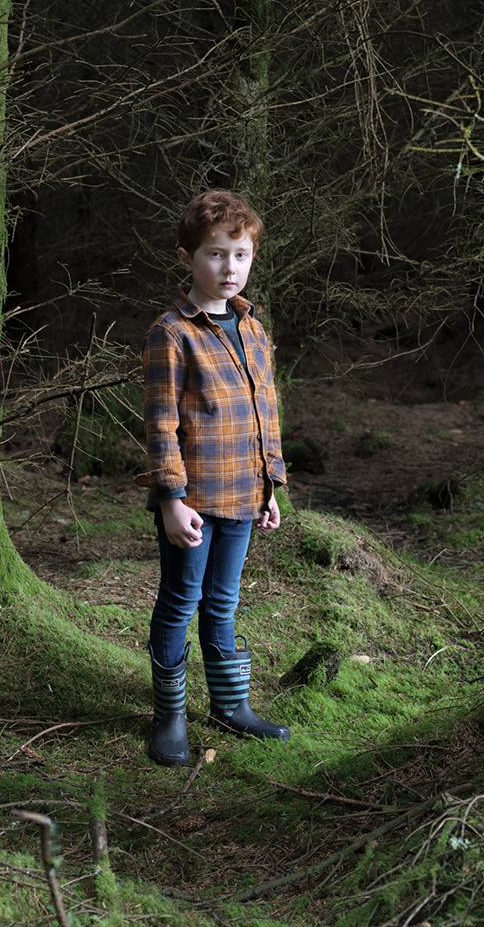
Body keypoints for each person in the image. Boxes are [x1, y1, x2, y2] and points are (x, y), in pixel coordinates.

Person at [136, 189, 290, 766]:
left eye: (241, 255)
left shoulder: (253, 330)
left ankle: (229, 705)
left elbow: (265, 413)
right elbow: (161, 424)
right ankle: (170, 717)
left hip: (245, 494)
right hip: (193, 502)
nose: (230, 268)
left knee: (223, 603)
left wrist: (271, 487)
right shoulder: (172, 332)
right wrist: (171, 499)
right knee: (181, 601)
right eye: (216, 254)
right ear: (188, 258)